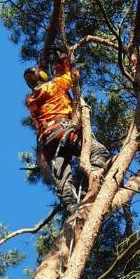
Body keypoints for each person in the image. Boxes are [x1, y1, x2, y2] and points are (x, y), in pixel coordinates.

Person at [24, 55, 110, 214]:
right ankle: (90, 185)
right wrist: (63, 59)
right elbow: (73, 76)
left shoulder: (31, 101)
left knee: (63, 177)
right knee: (99, 151)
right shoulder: (54, 85)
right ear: (43, 77)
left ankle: (71, 206)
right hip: (64, 130)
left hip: (48, 142)